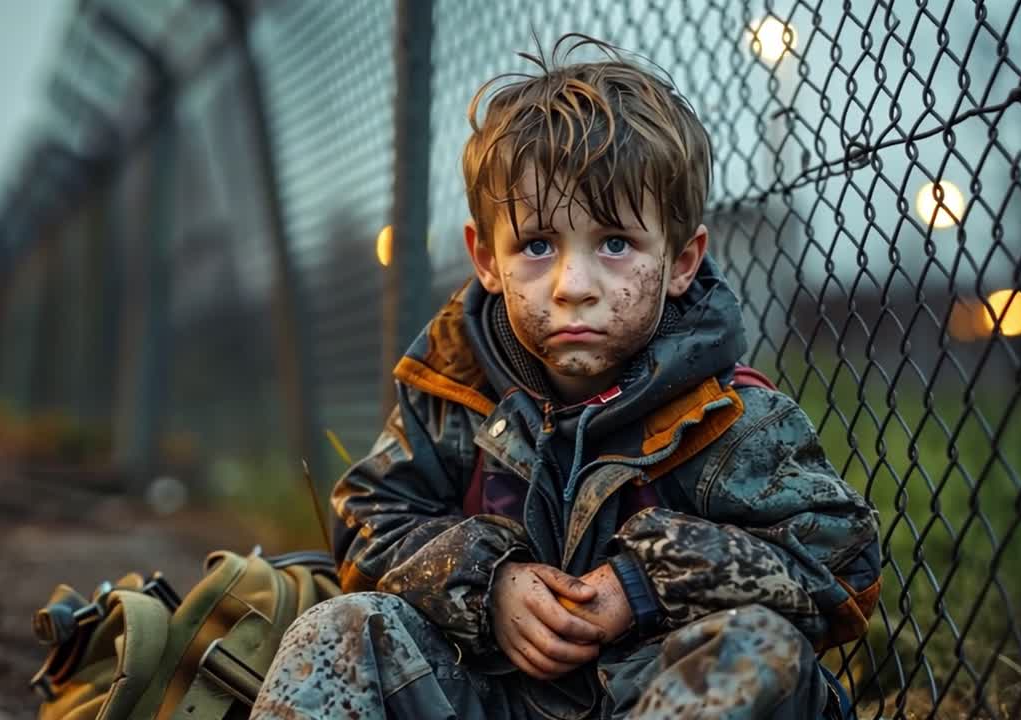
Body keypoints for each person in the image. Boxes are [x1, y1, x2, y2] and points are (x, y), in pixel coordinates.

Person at [251, 34, 881, 720]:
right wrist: (486, 584)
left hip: (655, 695)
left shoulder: (733, 419)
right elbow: (366, 523)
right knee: (342, 626)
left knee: (758, 646)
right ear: (485, 259)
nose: (572, 285)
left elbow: (840, 557)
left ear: (681, 260)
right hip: (496, 695)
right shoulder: (453, 398)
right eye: (537, 245)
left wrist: (642, 584)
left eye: (615, 244)